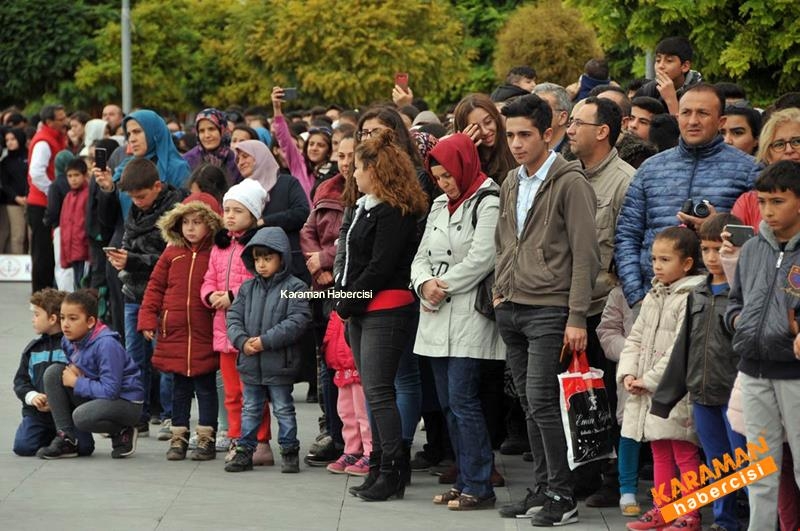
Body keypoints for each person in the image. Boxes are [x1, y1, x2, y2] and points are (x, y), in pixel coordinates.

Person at [493, 94, 600, 526]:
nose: (516, 143)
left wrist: (576, 315)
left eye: (525, 135)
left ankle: (563, 493)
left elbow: (585, 253)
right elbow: (504, 242)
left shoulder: (570, 182)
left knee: (541, 400)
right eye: (511, 135)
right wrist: (500, 291)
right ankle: (543, 486)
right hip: (512, 306)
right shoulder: (511, 181)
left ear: (548, 134)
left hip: (550, 310)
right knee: (528, 402)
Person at [410, 133, 503, 510]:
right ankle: (464, 477)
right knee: (448, 404)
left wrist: (441, 286)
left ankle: (480, 483)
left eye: (448, 176)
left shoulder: (489, 200)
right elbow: (419, 256)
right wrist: (423, 284)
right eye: (438, 178)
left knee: (464, 401)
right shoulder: (437, 204)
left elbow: (483, 258)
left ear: (463, 166)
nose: (445, 184)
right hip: (435, 313)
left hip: (467, 313)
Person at [337, 130, 429, 502]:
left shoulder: (396, 211)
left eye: (358, 167)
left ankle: (391, 469)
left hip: (385, 308)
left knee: (380, 392)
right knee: (374, 393)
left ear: (377, 170)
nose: (353, 175)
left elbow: (380, 266)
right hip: (363, 307)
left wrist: (348, 301)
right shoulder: (368, 206)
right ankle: (379, 467)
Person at [615, 84, 760, 309]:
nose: (693, 121)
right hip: (653, 299)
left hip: (719, 301)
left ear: (721, 122)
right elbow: (627, 235)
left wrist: (715, 227)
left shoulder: (749, 170)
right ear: (677, 116)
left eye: (703, 113)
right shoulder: (650, 169)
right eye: (686, 113)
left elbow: (759, 242)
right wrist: (637, 295)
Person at [651, 214, 747, 531]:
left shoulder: (743, 294)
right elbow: (683, 349)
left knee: (746, 465)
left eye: (719, 249)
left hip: (736, 397)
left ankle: (763, 520)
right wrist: (666, 396)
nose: (712, 257)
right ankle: (724, 520)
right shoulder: (699, 293)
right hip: (703, 395)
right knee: (718, 464)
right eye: (706, 249)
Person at [566, 96, 635, 507]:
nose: (569, 130)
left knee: (606, 395)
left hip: (603, 306)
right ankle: (583, 470)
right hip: (567, 301)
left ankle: (613, 477)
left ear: (603, 131)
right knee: (577, 393)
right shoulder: (568, 175)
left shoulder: (626, 180)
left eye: (578, 123)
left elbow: (625, 249)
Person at [726, 161, 800, 531]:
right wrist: (738, 321)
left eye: (778, 201)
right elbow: (735, 299)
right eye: (763, 201)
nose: (768, 211)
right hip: (752, 369)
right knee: (760, 471)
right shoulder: (754, 248)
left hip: (795, 375)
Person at [617, 227, 704, 531]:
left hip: (675, 391)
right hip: (648, 389)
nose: (656, 265)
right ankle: (663, 509)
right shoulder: (654, 294)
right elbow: (635, 338)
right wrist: (629, 373)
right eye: (654, 258)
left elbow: (681, 347)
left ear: (688, 263)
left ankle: (690, 513)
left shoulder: (692, 296)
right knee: (659, 449)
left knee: (683, 450)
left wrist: (649, 380)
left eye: (665, 259)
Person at [96, 158, 186, 436]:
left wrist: (132, 260)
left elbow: (171, 257)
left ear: (157, 186)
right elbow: (127, 240)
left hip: (162, 295)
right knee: (134, 359)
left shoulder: (175, 212)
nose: (137, 202)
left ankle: (172, 415)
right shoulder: (135, 211)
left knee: (164, 356)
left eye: (142, 196)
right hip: (133, 292)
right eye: (133, 198)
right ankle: (138, 414)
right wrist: (121, 259)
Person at [138, 193, 223, 461]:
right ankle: (179, 436)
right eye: (186, 222)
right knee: (179, 388)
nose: (190, 227)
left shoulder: (216, 253)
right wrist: (148, 317)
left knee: (206, 387)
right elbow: (155, 287)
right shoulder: (171, 253)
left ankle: (206, 437)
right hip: (174, 331)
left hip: (204, 330)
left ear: (210, 224)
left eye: (198, 221)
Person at [224, 227, 312, 473]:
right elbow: (233, 318)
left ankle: (289, 450)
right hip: (251, 363)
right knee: (250, 408)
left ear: (282, 258)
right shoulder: (247, 288)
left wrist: (264, 341)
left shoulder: (294, 287)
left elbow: (297, 321)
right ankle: (245, 451)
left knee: (283, 408)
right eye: (257, 259)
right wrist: (242, 341)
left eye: (268, 258)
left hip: (279, 363)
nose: (261, 264)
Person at [201, 178, 274, 466]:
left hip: (249, 331)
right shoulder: (219, 247)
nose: (229, 216)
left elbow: (259, 280)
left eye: (238, 211)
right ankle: (236, 438)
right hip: (223, 330)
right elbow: (208, 278)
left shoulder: (258, 247)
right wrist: (210, 296)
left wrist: (233, 296)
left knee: (253, 391)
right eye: (227, 209)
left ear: (254, 215)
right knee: (231, 392)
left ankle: (260, 441)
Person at [37, 289, 144, 459]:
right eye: (63, 317)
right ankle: (67, 439)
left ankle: (123, 429)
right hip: (98, 393)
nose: (65, 324)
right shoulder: (68, 339)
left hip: (126, 402)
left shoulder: (106, 345)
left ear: (90, 321)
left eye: (73, 319)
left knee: (82, 417)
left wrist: (76, 382)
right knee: (53, 373)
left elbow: (111, 390)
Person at [13, 288, 94, 457]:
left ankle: (63, 436)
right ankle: (55, 438)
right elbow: (21, 382)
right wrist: (33, 397)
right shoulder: (33, 349)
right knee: (23, 447)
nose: (33, 320)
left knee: (85, 448)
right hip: (38, 414)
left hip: (68, 413)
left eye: (36, 314)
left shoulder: (74, 347)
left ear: (52, 319)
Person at [731, 107, 800, 229]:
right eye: (779, 144)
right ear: (767, 155)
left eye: (797, 142)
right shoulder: (749, 203)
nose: (789, 150)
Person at [27, 104, 68, 293]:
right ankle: (40, 297)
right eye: (60, 119)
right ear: (49, 122)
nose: (65, 121)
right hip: (41, 203)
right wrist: (53, 191)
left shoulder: (55, 137)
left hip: (46, 202)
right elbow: (36, 173)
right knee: (42, 254)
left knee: (48, 254)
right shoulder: (44, 142)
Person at [272, 87, 336, 202]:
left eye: (320, 145)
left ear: (329, 150)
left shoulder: (334, 172)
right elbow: (285, 140)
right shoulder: (299, 165)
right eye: (311, 144)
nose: (314, 148)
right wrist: (277, 109)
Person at [634, 36, 703, 115]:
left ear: (685, 66)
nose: (661, 66)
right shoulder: (647, 91)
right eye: (658, 60)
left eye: (669, 61)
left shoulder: (700, 94)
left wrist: (671, 99)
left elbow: (686, 126)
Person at [182, 108, 241, 187]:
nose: (207, 135)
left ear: (222, 130)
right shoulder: (188, 160)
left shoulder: (236, 160)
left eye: (211, 129)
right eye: (201, 131)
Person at [59, 158, 90, 288]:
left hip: (85, 250)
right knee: (76, 284)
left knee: (84, 285)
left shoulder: (88, 194)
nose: (73, 179)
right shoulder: (68, 197)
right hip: (72, 250)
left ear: (85, 175)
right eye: (70, 176)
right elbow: (64, 226)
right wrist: (64, 254)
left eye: (77, 175)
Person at [1, 128, 29, 254]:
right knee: (17, 236)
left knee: (32, 235)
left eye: (13, 139)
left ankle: (34, 267)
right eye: (7, 140)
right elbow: (5, 184)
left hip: (31, 200)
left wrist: (28, 196)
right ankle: (18, 267)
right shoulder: (5, 162)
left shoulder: (30, 156)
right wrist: (16, 197)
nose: (10, 143)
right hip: (13, 203)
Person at [532, 83, 572, 153]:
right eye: (531, 108)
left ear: (562, 117)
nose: (533, 114)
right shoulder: (521, 150)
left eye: (541, 108)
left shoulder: (578, 155)